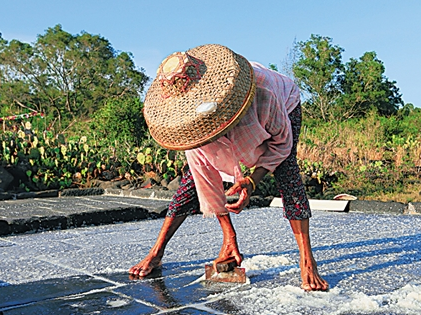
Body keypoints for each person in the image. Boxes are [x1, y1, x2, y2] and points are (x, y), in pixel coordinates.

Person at [129, 44, 328, 291]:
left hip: (284, 103)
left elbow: (281, 145)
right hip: (232, 122)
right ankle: (157, 252)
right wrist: (230, 237)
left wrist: (253, 180)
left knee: (287, 173)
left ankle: (308, 260)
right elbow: (206, 185)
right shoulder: (191, 126)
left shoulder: (264, 95)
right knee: (190, 183)